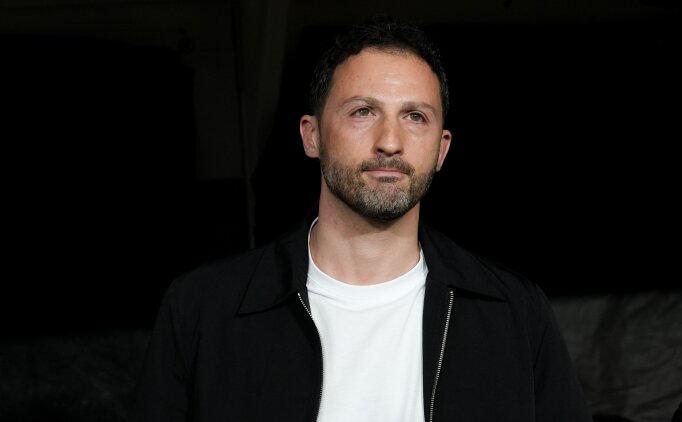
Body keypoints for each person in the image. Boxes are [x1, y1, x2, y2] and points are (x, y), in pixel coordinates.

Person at [128, 16, 592, 421]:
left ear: (441, 149)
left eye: (415, 116)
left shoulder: (513, 311)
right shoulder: (204, 307)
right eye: (363, 112)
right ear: (311, 136)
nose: (390, 141)